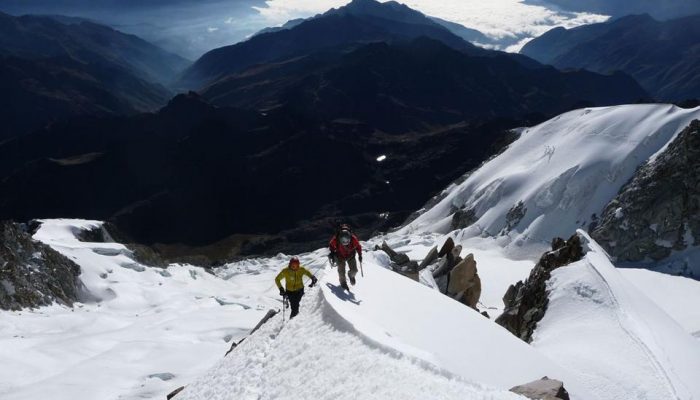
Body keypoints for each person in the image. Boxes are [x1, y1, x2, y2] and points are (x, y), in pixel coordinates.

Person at [328, 224, 362, 290]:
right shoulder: (336, 238)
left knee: (354, 270)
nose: (345, 242)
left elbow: (358, 246)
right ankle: (343, 283)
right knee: (341, 272)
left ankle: (351, 275)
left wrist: (360, 255)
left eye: (346, 241)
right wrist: (332, 252)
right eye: (343, 241)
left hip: (350, 255)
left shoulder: (353, 238)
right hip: (340, 256)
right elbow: (331, 245)